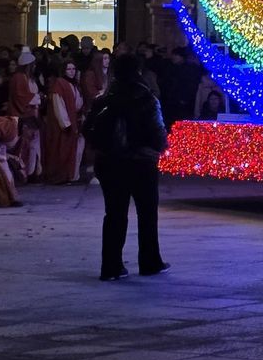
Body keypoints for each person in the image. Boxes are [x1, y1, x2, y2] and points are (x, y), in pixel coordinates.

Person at [85, 54, 170, 281]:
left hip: (110, 162)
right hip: (141, 162)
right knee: (147, 213)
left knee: (114, 214)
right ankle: (150, 261)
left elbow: (88, 128)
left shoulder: (103, 99)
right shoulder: (147, 99)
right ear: (138, 71)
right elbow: (158, 133)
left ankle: (111, 266)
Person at [42, 59, 85, 185]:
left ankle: (71, 175)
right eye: (68, 69)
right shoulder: (60, 84)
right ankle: (61, 176)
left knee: (73, 150)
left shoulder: (74, 84)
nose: (71, 72)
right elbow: (58, 104)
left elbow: (78, 103)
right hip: (64, 124)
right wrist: (65, 123)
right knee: (61, 150)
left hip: (73, 121)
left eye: (73, 69)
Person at [9, 48, 43, 182]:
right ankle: (24, 172)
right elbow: (21, 96)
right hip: (23, 116)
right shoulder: (19, 77)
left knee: (34, 145)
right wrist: (37, 97)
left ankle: (32, 171)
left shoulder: (30, 78)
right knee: (24, 146)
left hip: (32, 115)